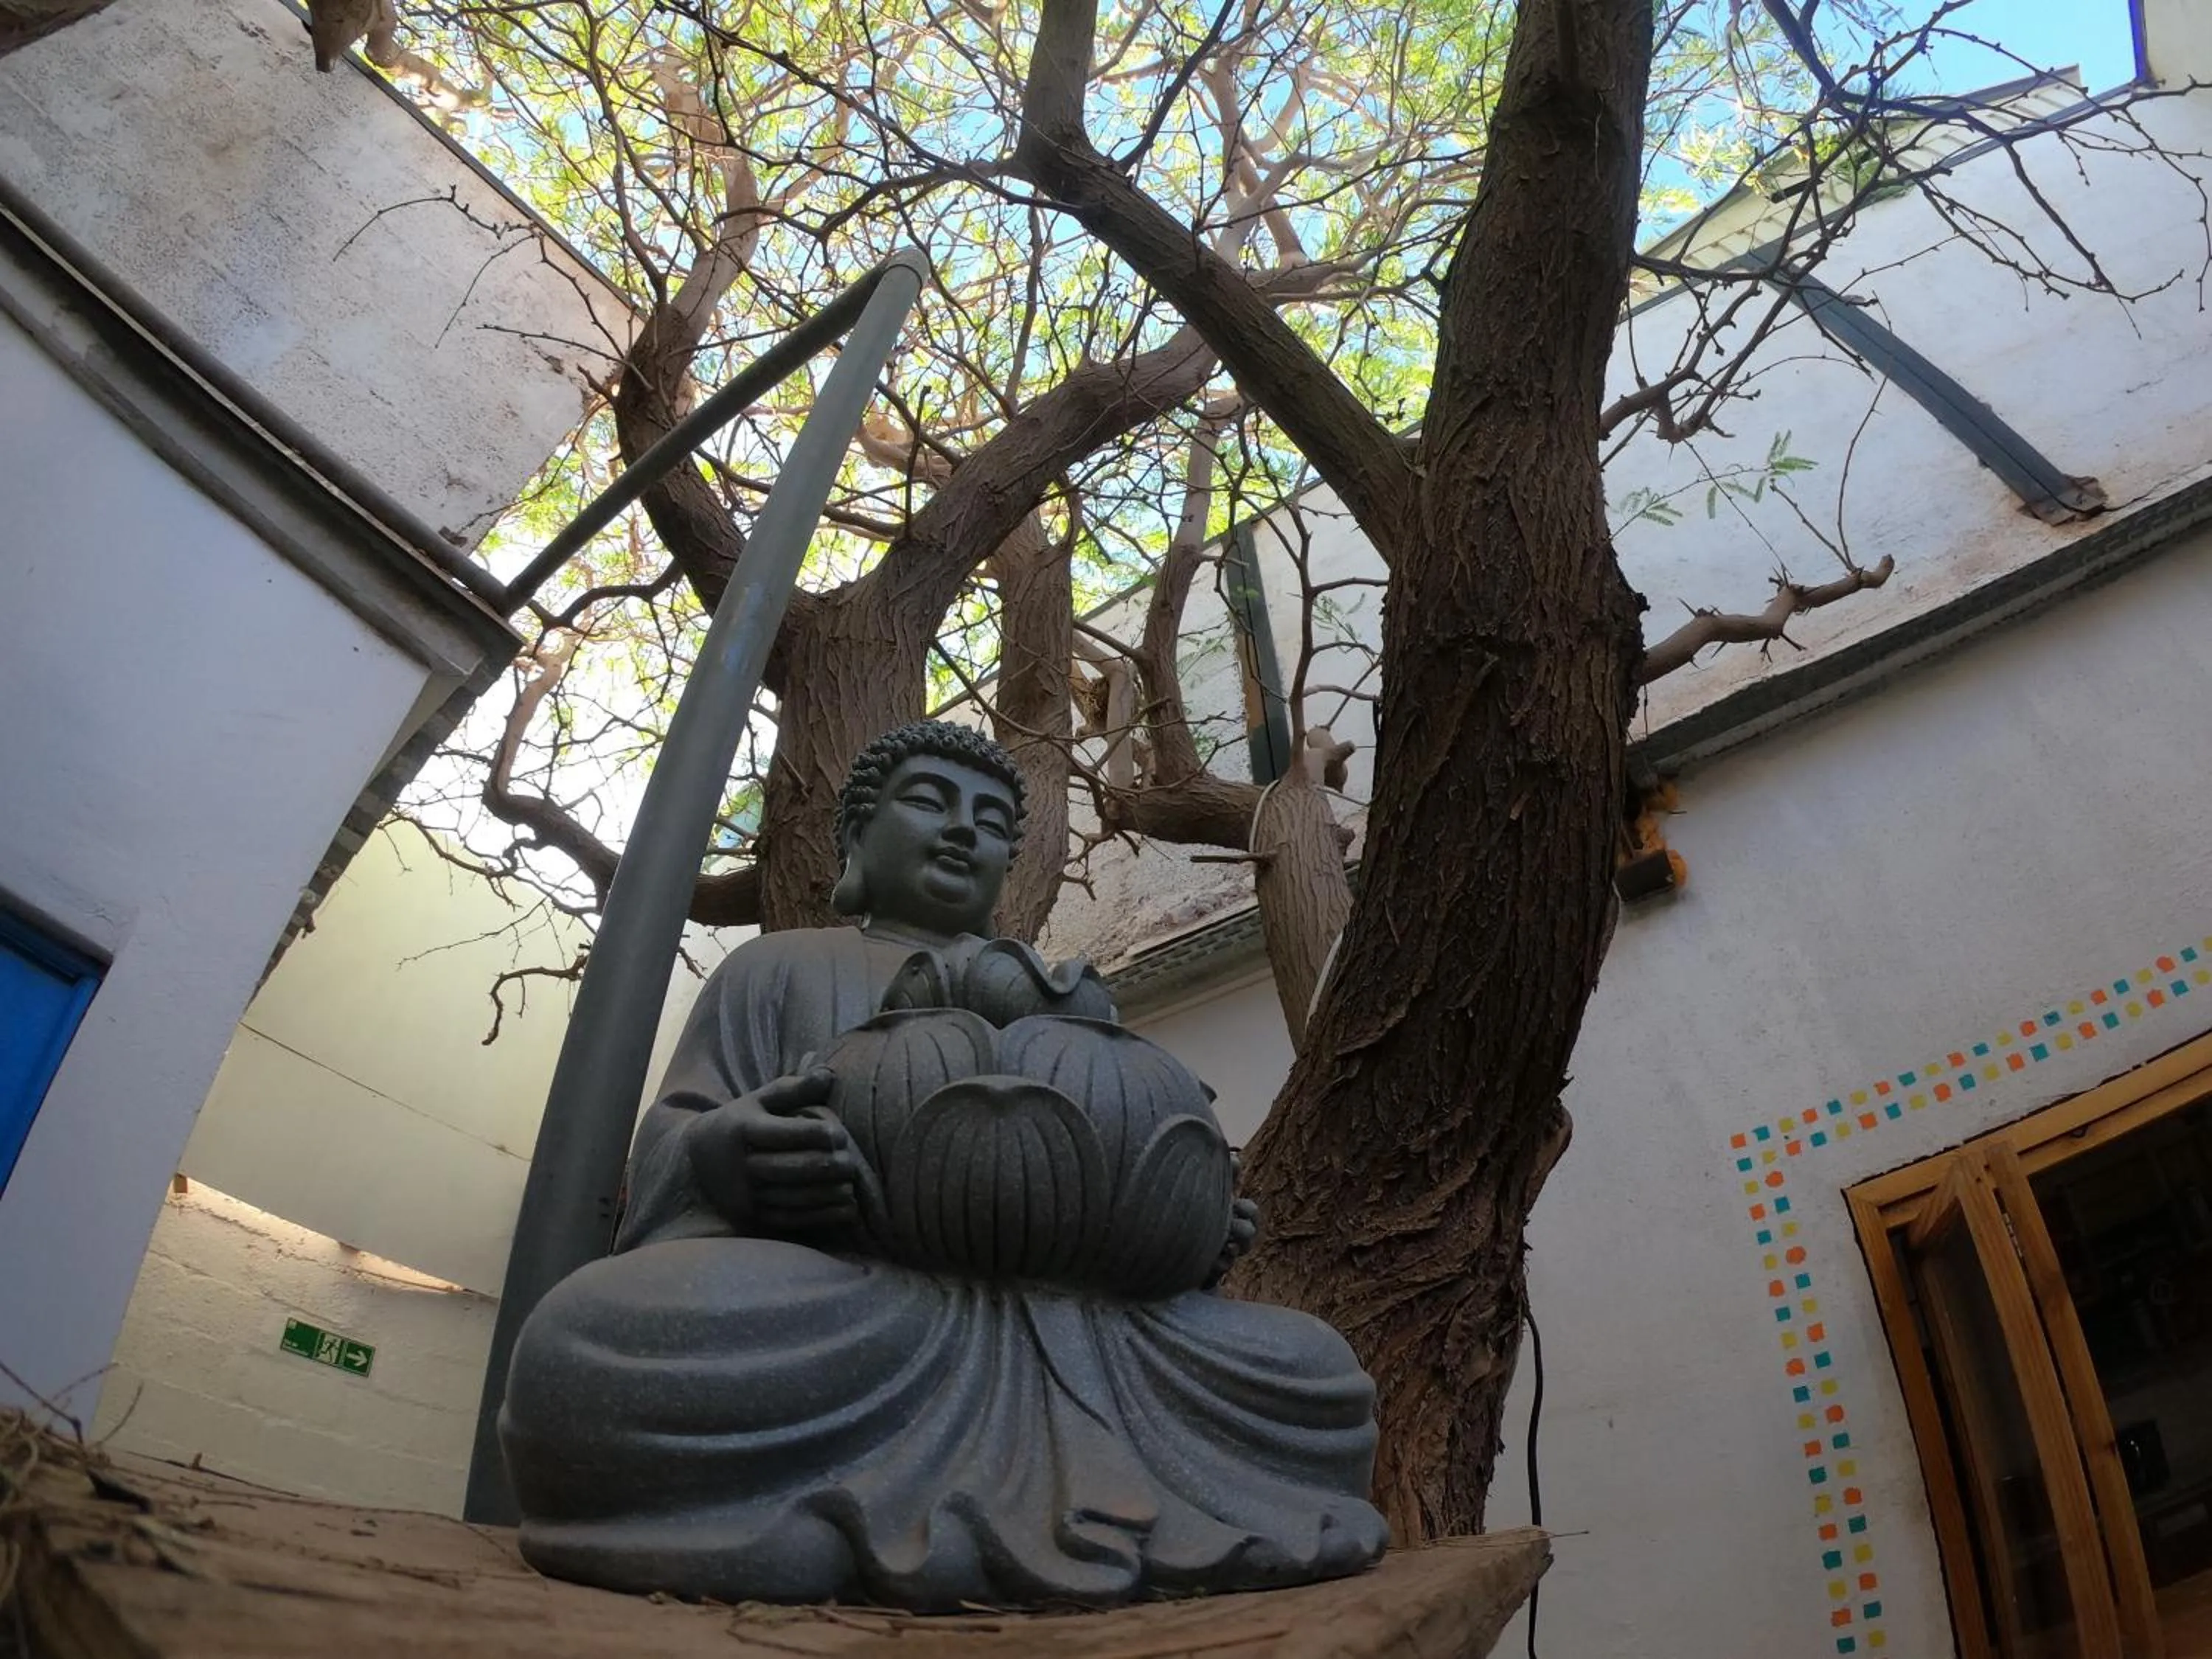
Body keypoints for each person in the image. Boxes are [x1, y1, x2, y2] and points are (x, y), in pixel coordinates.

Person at [499, 720, 1387, 1610]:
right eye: (929, 801)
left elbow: (1128, 1151)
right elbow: (681, 1135)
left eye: (994, 822)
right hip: (851, 1311)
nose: (966, 830)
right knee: (586, 1343)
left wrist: (1188, 1228)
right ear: (856, 836)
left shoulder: (1065, 999)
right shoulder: (776, 970)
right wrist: (720, 1151)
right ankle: (1121, 1522)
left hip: (1082, 1331)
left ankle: (838, 1530)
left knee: (1318, 1370)